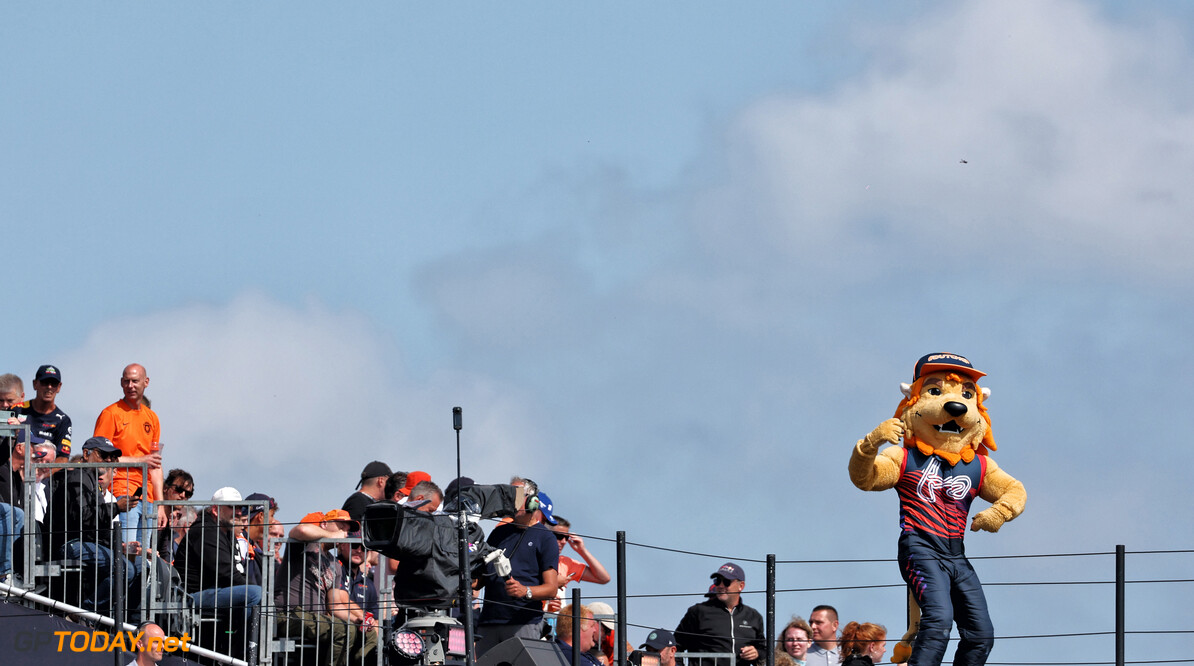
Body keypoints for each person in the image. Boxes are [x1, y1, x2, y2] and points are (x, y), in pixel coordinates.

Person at [45, 437, 138, 613]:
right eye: (103, 455)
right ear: (87, 454)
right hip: (70, 544)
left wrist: (119, 546)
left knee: (139, 567)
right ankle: (85, 613)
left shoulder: (91, 480)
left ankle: (129, 623)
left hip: (85, 544)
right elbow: (84, 519)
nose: (109, 461)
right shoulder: (78, 476)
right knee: (125, 569)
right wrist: (117, 507)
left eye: (113, 458)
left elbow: (96, 526)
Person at [275, 509, 378, 666]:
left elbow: (335, 605)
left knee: (368, 635)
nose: (345, 534)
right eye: (341, 527)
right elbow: (300, 529)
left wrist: (357, 619)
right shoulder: (304, 546)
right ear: (324, 524)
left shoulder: (335, 564)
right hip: (289, 614)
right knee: (346, 630)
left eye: (347, 531)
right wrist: (332, 535)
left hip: (318, 619)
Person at [475, 478, 560, 656]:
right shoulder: (499, 532)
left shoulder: (546, 538)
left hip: (523, 624)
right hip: (489, 622)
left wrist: (526, 591)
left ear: (531, 501)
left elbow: (551, 588)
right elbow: (481, 577)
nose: (508, 502)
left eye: (513, 496)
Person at [174, 487, 261, 637]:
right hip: (191, 597)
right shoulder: (205, 531)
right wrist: (254, 590)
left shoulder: (224, 531)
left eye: (240, 508)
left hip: (211, 592)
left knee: (262, 595)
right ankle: (247, 654)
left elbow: (234, 573)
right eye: (232, 507)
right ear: (216, 510)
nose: (239, 512)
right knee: (255, 594)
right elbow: (227, 573)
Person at [94, 363, 164, 543]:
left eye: (135, 381)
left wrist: (161, 504)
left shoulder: (152, 418)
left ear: (146, 382)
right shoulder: (111, 413)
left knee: (144, 555)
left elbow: (155, 464)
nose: (130, 386)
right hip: (122, 491)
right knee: (126, 550)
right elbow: (98, 457)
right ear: (121, 383)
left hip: (148, 496)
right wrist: (140, 460)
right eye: (126, 381)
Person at [674, 563, 766, 666]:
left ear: (741, 586)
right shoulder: (698, 612)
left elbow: (765, 651)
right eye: (717, 581)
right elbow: (675, 646)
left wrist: (757, 653)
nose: (721, 586)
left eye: (726, 582)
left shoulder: (754, 616)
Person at [16, 365, 73, 461]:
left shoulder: (63, 420)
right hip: (15, 471)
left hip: (45, 473)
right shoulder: (17, 410)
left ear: (59, 387)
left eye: (53, 383)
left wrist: (42, 474)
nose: (49, 387)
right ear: (35, 384)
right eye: (44, 382)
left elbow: (63, 458)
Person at [155, 469, 194, 562]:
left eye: (188, 494)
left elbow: (164, 554)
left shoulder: (167, 522)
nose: (183, 495)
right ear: (165, 488)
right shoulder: (151, 514)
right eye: (179, 489)